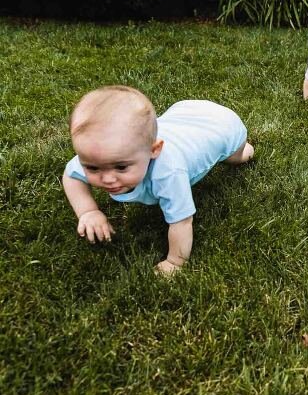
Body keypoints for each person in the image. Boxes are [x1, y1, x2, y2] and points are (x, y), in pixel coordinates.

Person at [62, 86, 253, 275]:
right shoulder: (100, 152)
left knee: (236, 159)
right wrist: (88, 211)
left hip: (223, 126)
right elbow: (71, 176)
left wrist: (175, 262)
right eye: (93, 168)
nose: (107, 179)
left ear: (154, 150)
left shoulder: (168, 173)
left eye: (121, 167)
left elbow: (182, 221)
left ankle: (246, 150)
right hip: (183, 113)